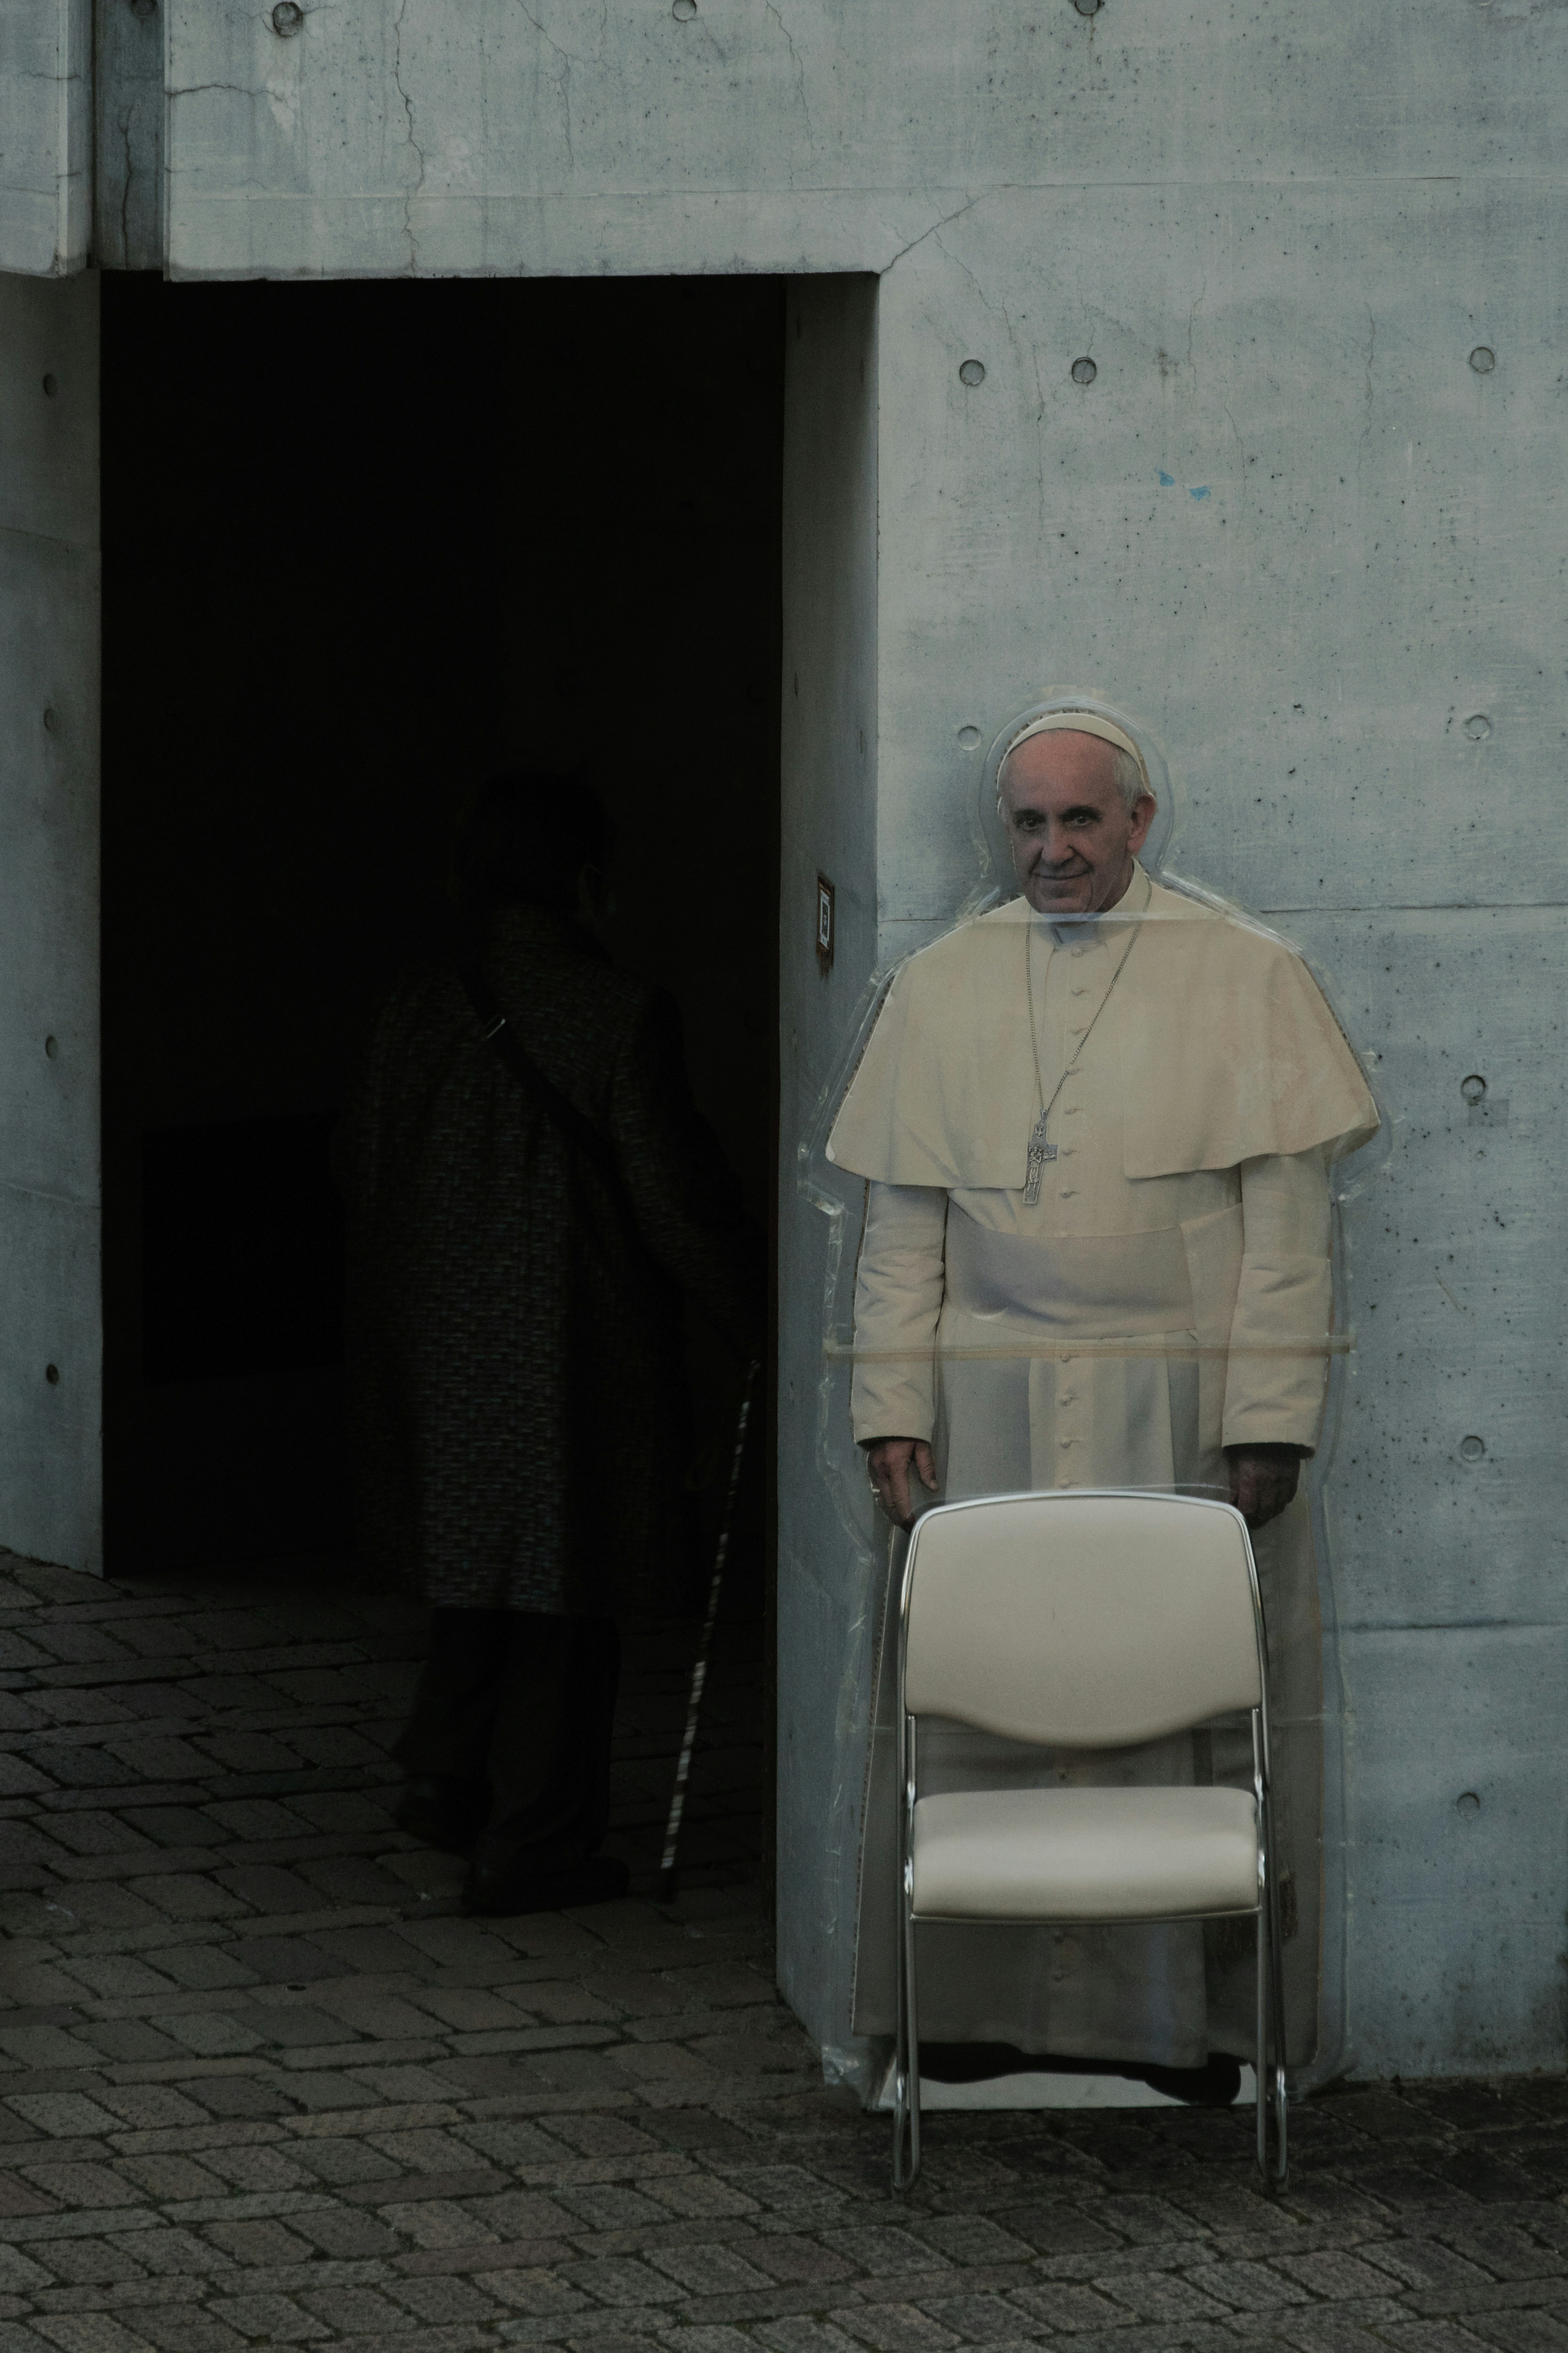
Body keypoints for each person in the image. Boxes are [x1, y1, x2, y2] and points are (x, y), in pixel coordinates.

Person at [826, 705, 1378, 2094]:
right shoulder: (945, 984)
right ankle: (971, 2024)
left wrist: (1269, 1420)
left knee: (1168, 1712)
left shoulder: (1245, 978)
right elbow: (903, 1227)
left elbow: (1290, 1232)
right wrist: (896, 1403)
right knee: (984, 1703)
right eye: (1029, 824)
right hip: (989, 1412)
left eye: (1082, 821)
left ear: (1140, 821)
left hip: (1173, 1413)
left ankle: (1177, 2034)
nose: (1054, 851)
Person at [345, 772, 761, 1917]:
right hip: (573, 1342)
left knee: (481, 1572)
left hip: (439, 1336)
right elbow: (674, 1202)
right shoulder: (614, 1014)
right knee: (567, 1602)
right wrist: (755, 1318)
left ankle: (445, 1772)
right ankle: (536, 1842)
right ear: (581, 876)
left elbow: (372, 1181)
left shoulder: (416, 1005)